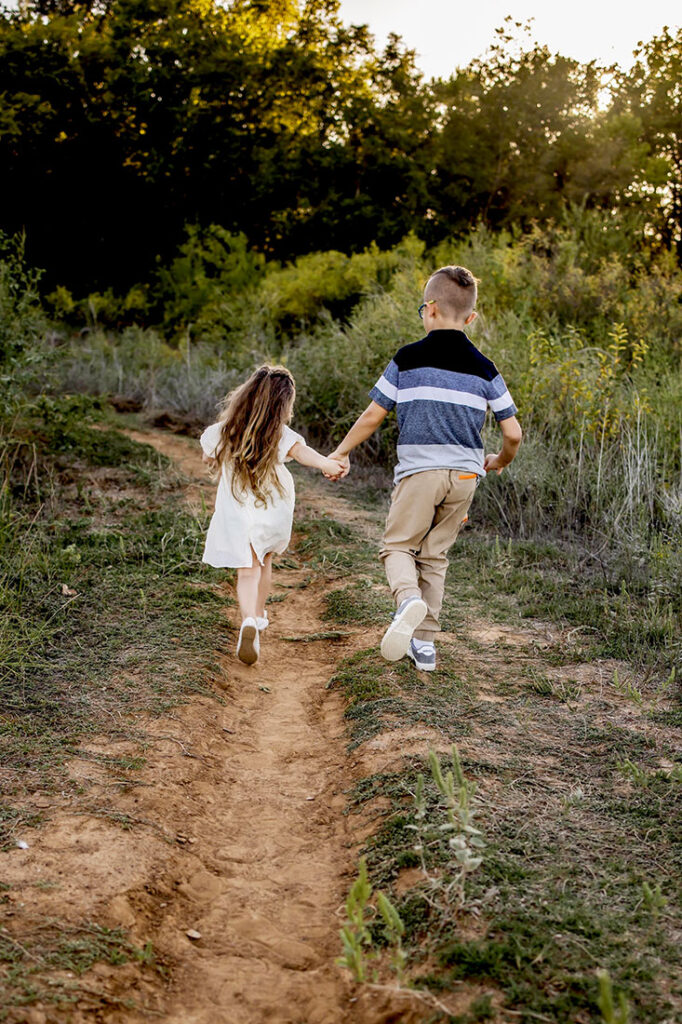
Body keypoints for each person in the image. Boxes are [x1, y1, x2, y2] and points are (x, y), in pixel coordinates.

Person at [328, 265, 522, 672]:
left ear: (429, 309)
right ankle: (426, 647)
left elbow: (371, 416)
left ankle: (407, 601)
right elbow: (514, 433)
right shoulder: (486, 368)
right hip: (466, 477)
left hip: (420, 474)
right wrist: (499, 460)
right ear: (470, 318)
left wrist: (342, 452)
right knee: (434, 557)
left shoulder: (408, 358)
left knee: (398, 546)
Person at [200, 365, 344, 665]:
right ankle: (260, 615)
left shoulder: (225, 430)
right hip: (272, 510)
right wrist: (328, 465)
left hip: (238, 511)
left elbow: (208, 453)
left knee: (246, 571)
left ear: (247, 394)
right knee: (264, 560)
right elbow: (305, 455)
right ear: (284, 404)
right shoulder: (281, 433)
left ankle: (249, 620)